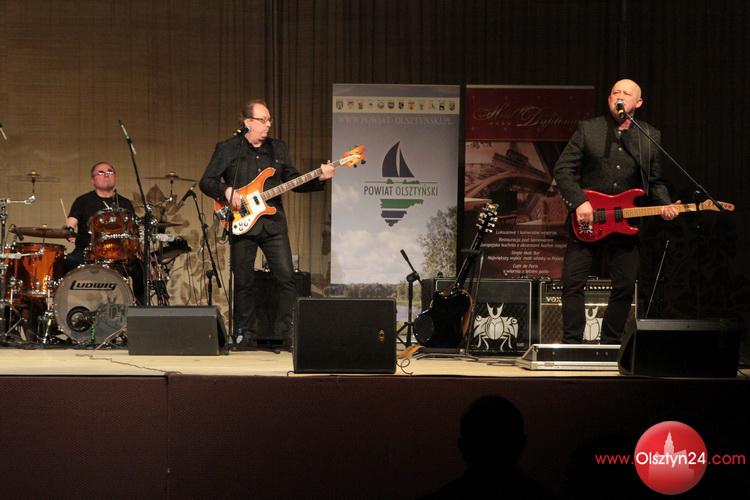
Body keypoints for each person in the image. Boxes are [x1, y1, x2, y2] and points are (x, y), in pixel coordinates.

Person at [199, 99, 335, 349]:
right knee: (243, 281)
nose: (268, 124)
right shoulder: (228, 148)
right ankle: (244, 333)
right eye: (263, 120)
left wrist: (320, 177)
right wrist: (226, 191)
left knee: (286, 278)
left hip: (273, 223)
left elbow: (294, 180)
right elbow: (206, 181)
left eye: (269, 120)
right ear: (247, 122)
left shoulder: (278, 148)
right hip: (242, 222)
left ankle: (288, 333)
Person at [553, 79, 680, 344]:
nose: (619, 97)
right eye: (615, 93)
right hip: (588, 219)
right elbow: (562, 169)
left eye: (626, 93)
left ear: (638, 102)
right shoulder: (589, 129)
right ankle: (572, 343)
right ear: (610, 100)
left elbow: (654, 181)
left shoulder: (649, 135)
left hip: (625, 223)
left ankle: (610, 343)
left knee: (625, 283)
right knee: (572, 282)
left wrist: (665, 204)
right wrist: (579, 202)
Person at [65, 161, 144, 301]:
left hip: (119, 253)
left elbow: (133, 230)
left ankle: (141, 306)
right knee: (66, 262)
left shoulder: (125, 203)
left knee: (141, 267)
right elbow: (70, 223)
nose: (106, 175)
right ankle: (61, 304)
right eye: (101, 173)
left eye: (110, 172)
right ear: (92, 180)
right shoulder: (83, 201)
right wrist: (69, 231)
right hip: (87, 251)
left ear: (115, 177)